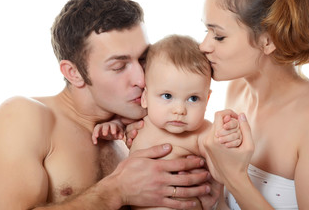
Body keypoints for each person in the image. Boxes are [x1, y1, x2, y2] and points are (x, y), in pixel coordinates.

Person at [0, 0, 218, 210]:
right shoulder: (25, 116)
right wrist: (116, 191)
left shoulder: (141, 128)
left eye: (143, 60)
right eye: (119, 66)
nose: (141, 79)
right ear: (74, 73)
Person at [199, 0, 309, 209]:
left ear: (268, 40)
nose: (203, 46)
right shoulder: (236, 90)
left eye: (218, 36)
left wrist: (234, 177)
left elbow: (234, 181)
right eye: (206, 31)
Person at [92, 34, 243, 209]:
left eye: (193, 98)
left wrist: (227, 137)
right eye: (167, 96)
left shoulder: (201, 133)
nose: (179, 110)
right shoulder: (138, 123)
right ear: (145, 97)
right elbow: (121, 135)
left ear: (207, 100)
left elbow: (222, 165)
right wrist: (112, 127)